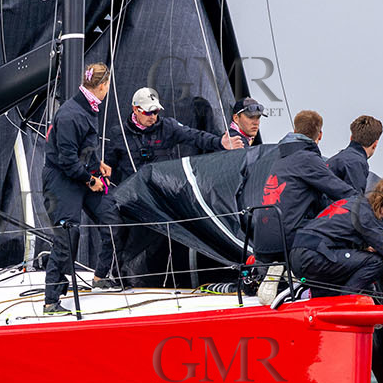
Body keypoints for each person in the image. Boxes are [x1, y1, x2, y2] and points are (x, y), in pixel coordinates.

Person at [41, 63, 122, 314]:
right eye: (108, 85)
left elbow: (83, 145)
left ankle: (100, 276)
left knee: (112, 219)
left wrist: (98, 163)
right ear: (103, 86)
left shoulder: (89, 106)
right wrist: (91, 179)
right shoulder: (70, 114)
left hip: (82, 172)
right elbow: (66, 160)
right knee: (67, 234)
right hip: (63, 179)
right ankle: (51, 300)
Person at [251, 109, 350, 269]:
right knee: (339, 241)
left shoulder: (279, 158)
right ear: (320, 135)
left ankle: (274, 272)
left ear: (295, 131)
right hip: (289, 241)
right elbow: (345, 193)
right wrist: (371, 207)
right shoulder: (307, 159)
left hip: (261, 241)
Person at [290, 178, 383, 298]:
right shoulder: (367, 214)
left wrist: (363, 247)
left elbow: (339, 233)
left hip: (298, 254)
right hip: (313, 256)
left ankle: (310, 295)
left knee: (355, 270)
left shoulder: (354, 203)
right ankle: (347, 301)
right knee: (376, 262)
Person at [109, 87, 242, 180]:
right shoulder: (118, 133)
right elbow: (109, 165)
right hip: (131, 195)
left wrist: (220, 143)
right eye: (148, 112)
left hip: (161, 188)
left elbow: (195, 136)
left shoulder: (168, 126)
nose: (153, 117)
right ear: (135, 109)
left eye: (156, 111)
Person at [326, 115, 383, 195]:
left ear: (351, 137)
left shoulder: (335, 160)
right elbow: (353, 202)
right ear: (375, 144)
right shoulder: (357, 163)